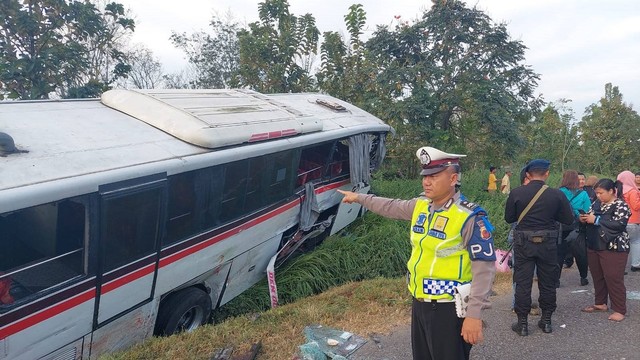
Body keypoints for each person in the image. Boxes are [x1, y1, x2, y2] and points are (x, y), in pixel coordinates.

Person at [337, 146, 496, 360]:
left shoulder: (469, 216)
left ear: (453, 179)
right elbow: (389, 206)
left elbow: (484, 270)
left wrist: (474, 315)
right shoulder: (421, 206)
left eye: (434, 176)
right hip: (420, 303)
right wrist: (359, 198)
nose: (426, 182)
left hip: (448, 308)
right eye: (425, 176)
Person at [504, 159, 574, 336]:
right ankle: (547, 321)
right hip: (548, 243)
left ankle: (523, 324)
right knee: (548, 282)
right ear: (547, 173)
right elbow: (568, 219)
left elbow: (509, 218)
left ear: (527, 174)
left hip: (523, 243)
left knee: (522, 282)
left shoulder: (517, 192)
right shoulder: (556, 194)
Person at [579, 179, 630, 322]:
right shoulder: (596, 203)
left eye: (601, 193)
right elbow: (590, 215)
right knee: (597, 275)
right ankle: (600, 303)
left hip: (614, 247)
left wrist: (596, 220)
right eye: (596, 193)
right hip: (595, 244)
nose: (598, 196)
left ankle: (619, 309)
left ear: (612, 191)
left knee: (613, 277)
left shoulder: (621, 205)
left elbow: (619, 224)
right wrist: (584, 218)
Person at [557, 170, 591, 286]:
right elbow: (587, 210)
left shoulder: (558, 192)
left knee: (559, 254)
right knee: (581, 253)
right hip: (577, 226)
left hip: (560, 227)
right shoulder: (583, 194)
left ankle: (556, 280)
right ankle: (583, 277)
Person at [617, 171, 640, 272]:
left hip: (619, 221)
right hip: (633, 220)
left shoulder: (616, 191)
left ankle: (620, 266)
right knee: (635, 242)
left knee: (621, 244)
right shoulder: (632, 191)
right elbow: (636, 206)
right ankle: (635, 264)